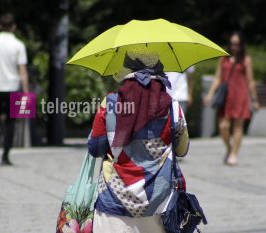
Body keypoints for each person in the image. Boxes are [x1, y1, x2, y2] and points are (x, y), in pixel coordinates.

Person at [88, 50, 189, 233]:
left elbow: (95, 148)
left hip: (113, 201)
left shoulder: (110, 104)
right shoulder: (172, 107)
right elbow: (182, 149)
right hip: (158, 204)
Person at [204, 32, 260, 166]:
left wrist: (255, 99)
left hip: (240, 96)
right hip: (226, 97)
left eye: (237, 44)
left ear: (241, 45)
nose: (234, 47)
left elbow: (250, 81)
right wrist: (210, 94)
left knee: (238, 127)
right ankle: (229, 148)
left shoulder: (246, 60)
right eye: (232, 44)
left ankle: (234, 154)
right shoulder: (223, 58)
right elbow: (217, 78)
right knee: (223, 126)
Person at [0, 13, 29, 166]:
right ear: (13, 27)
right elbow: (22, 71)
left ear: (0, 26)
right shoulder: (18, 45)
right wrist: (26, 92)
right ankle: (5, 156)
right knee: (11, 122)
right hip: (13, 87)